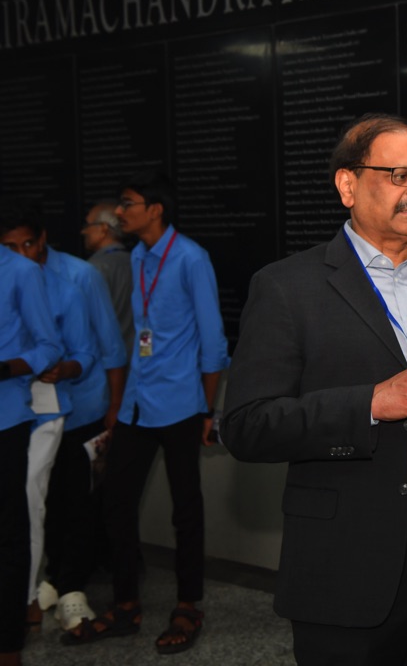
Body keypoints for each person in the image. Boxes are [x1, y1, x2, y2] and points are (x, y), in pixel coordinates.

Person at [221, 113, 407, 666]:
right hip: (345, 563)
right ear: (348, 185)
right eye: (400, 175)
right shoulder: (287, 287)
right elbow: (247, 425)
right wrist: (370, 404)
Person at [64, 171, 229, 656]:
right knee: (116, 503)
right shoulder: (137, 256)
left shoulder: (190, 258)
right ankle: (126, 604)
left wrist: (207, 409)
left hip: (180, 404)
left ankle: (188, 605)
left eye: (128, 203)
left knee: (186, 509)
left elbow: (213, 341)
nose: (120, 212)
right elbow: (142, 334)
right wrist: (119, 405)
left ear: (155, 209)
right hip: (137, 403)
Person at [0, 202, 104, 636]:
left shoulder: (69, 284)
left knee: (29, 502)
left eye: (27, 244)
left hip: (42, 407)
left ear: (41, 240)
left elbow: (80, 351)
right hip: (14, 403)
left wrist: (49, 368)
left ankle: (23, 599)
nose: (21, 253)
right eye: (11, 246)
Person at [0, 246, 62, 666]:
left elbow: (48, 346)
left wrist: (6, 368)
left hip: (5, 420)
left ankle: (8, 644)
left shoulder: (20, 271)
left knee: (8, 534)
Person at [82, 199, 135, 359]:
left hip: (106, 360)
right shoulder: (137, 262)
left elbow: (86, 321)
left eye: (88, 225)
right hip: (137, 356)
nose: (83, 231)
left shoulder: (93, 269)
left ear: (104, 228)